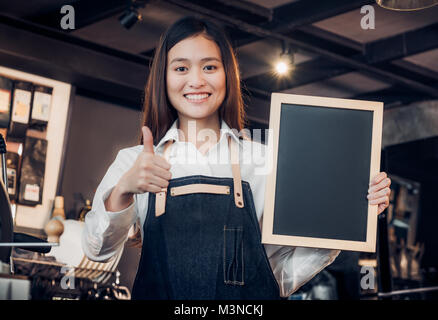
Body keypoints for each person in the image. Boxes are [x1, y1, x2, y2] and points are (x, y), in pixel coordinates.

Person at [82, 17, 392, 300]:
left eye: (209, 67)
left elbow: (279, 277)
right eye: (180, 68)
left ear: (228, 75)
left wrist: (351, 215)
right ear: (162, 78)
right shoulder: (133, 162)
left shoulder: (267, 162)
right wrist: (123, 191)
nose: (196, 81)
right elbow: (97, 252)